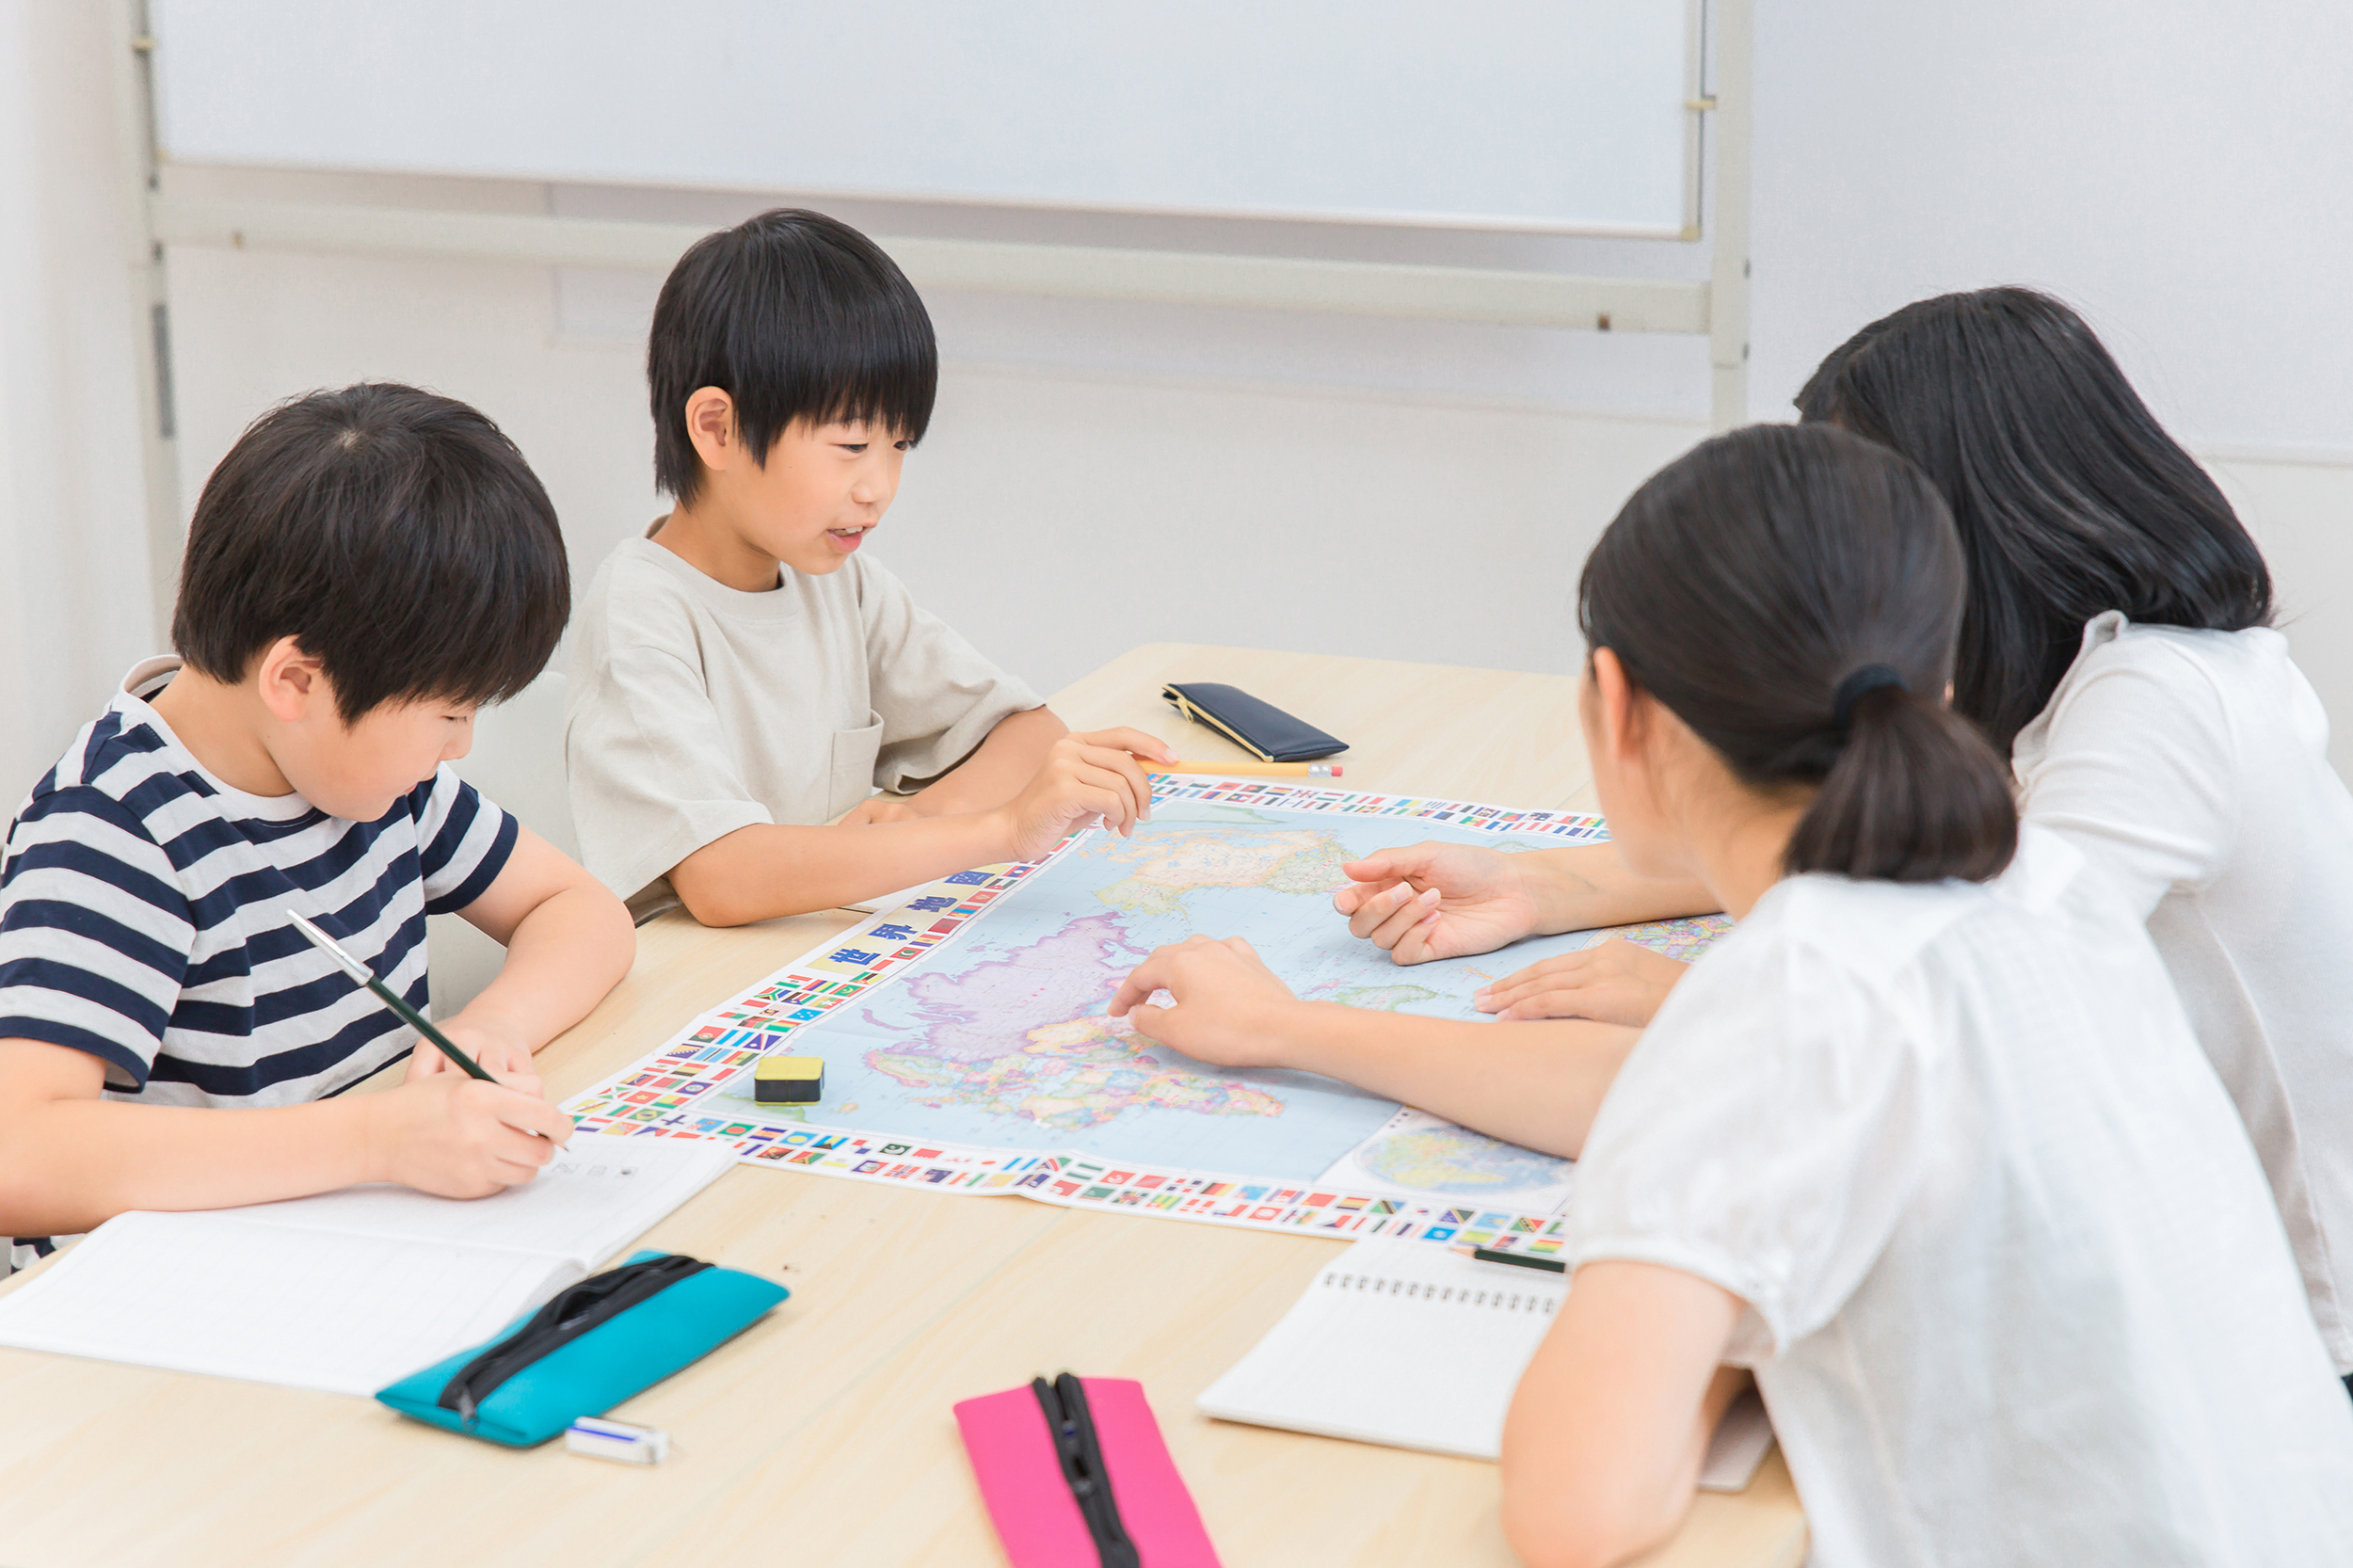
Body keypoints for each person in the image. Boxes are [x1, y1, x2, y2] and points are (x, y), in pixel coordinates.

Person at [1117, 425, 2353, 1565]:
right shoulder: (2042, 890)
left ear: (1618, 709)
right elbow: (1721, 1107)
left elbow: (1578, 1511)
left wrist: (1724, 1317)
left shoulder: (1793, 989)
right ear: (1939, 680)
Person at [1346, 288, 2353, 1381]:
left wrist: (1295, 1029)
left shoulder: (2153, 705)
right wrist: (1547, 886)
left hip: (2290, 1335)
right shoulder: (2133, 673)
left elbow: (1944, 1042)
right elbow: (1903, 840)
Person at [0, 385, 632, 1272]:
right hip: (167, 1305)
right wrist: (376, 1139)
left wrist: (497, 1025)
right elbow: (18, 1155)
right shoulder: (115, 832)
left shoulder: (367, 784)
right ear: (296, 682)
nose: (462, 746)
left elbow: (582, 911)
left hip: (341, 1241)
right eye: (448, 713)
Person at [564, 207, 1168, 927]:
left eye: (901, 446)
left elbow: (1027, 733)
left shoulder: (838, 584)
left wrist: (922, 823)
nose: (878, 487)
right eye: (851, 446)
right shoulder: (641, 614)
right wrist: (999, 831)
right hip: (697, 994)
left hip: (813, 952)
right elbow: (725, 878)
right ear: (717, 430)